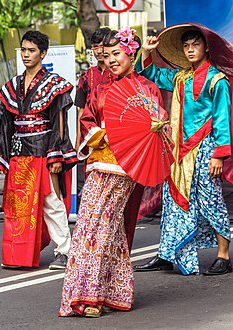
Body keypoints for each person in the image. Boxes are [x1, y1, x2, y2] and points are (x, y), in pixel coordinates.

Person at [59, 27, 168, 317]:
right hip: (99, 162)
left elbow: (155, 123)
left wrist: (152, 127)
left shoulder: (148, 89)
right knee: (92, 227)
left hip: (125, 167)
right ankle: (115, 290)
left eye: (117, 54)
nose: (111, 61)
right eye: (107, 56)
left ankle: (90, 296)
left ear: (131, 53)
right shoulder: (102, 89)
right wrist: (101, 133)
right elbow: (87, 120)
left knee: (101, 227)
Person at [134, 23, 233, 275]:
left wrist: (219, 155)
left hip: (205, 149)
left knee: (211, 201)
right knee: (172, 202)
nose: (190, 50)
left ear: (206, 47)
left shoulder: (217, 80)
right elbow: (151, 74)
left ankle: (223, 255)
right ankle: (167, 252)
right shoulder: (180, 76)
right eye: (186, 46)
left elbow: (222, 119)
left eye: (195, 45)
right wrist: (146, 51)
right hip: (178, 152)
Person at [0, 30, 78, 270]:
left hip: (44, 150)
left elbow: (59, 124)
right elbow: (6, 124)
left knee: (51, 201)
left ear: (43, 53)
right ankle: (16, 254)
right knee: (17, 205)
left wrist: (56, 155)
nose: (26, 55)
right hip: (20, 153)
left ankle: (64, 251)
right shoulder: (13, 85)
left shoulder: (54, 85)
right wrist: (3, 156)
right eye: (23, 50)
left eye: (32, 50)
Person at [75, 27, 114, 150]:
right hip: (91, 134)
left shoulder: (119, 73)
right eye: (95, 47)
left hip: (114, 134)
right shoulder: (85, 76)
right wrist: (78, 140)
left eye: (102, 46)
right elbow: (81, 111)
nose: (98, 51)